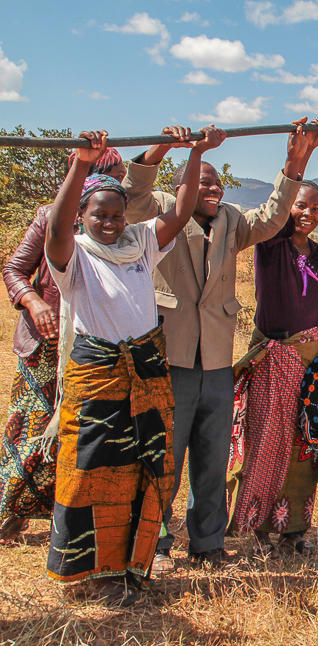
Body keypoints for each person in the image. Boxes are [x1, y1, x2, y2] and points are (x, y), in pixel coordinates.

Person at [123, 117, 318, 574]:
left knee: (213, 459)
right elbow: (130, 195)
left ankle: (207, 543)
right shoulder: (159, 210)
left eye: (218, 183)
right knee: (164, 458)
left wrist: (296, 162)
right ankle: (154, 542)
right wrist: (160, 149)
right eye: (203, 183)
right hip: (170, 358)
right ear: (181, 188)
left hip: (216, 361)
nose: (214, 190)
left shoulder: (232, 221)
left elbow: (274, 215)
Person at [44, 127, 221, 604]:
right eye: (98, 214)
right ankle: (87, 575)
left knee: (141, 468)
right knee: (89, 472)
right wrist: (81, 164)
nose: (109, 223)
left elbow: (182, 210)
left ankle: (128, 567)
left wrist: (196, 152)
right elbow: (57, 230)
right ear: (82, 215)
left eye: (116, 215)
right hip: (97, 372)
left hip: (145, 370)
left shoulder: (140, 241)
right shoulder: (73, 253)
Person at [0, 148, 124, 542]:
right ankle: (10, 510)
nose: (121, 183)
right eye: (115, 174)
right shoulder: (49, 217)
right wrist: (35, 301)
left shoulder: (114, 225)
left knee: (78, 429)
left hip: (91, 344)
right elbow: (14, 269)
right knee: (33, 427)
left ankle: (65, 514)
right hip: (46, 343)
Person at [226, 117, 318, 556]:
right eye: (300, 205)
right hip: (274, 357)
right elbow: (280, 201)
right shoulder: (270, 244)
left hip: (311, 363)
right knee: (266, 441)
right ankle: (258, 528)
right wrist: (300, 157)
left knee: (303, 445)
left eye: (315, 208)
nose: (306, 214)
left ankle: (294, 531)